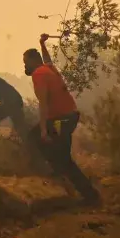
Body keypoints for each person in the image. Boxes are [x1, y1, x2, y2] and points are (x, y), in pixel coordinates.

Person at [23, 33, 101, 205]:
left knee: (53, 150)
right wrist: (42, 44)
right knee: (38, 139)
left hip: (61, 119)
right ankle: (59, 171)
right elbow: (48, 60)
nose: (24, 66)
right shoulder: (48, 69)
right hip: (68, 116)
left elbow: (43, 103)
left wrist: (44, 129)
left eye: (25, 62)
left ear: (33, 62)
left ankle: (91, 196)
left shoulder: (38, 74)